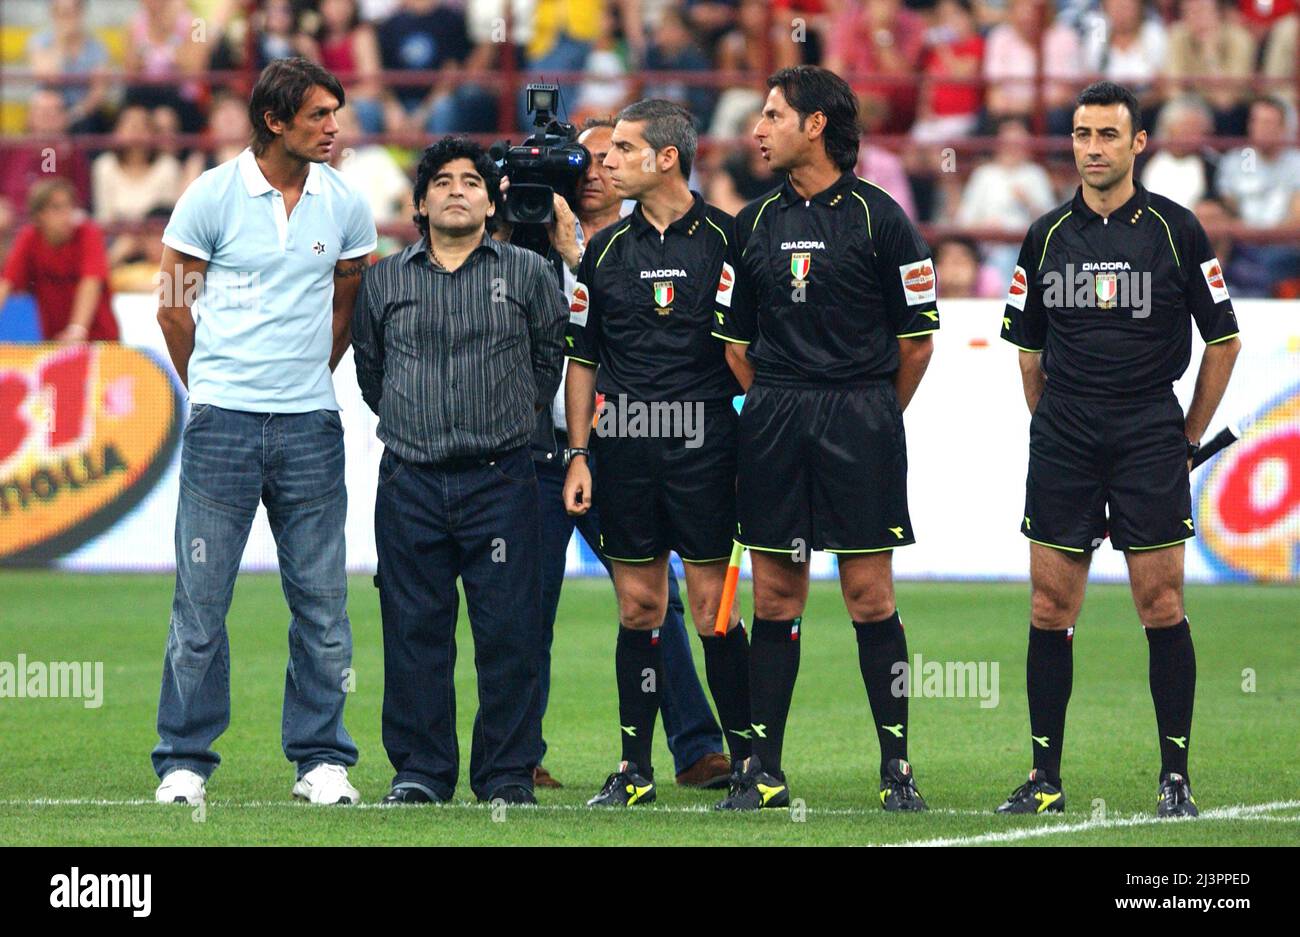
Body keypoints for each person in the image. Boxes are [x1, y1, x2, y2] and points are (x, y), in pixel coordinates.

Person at [997, 81, 1241, 817]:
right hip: (1066, 432)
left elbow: (1223, 339)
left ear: (1138, 144)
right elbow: (1028, 351)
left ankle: (1175, 778)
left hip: (1147, 430)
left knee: (1160, 601)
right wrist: (1056, 425)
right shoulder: (1043, 235)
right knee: (1049, 605)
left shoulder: (1177, 229)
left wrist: (1187, 432)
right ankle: (1045, 778)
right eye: (1081, 134)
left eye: (1107, 134)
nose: (1092, 147)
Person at [151, 58, 377, 808]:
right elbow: (173, 308)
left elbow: (349, 308)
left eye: (335, 114)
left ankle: (321, 759)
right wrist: (213, 388)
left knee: (322, 605)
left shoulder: (346, 203)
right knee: (200, 604)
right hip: (222, 428)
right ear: (275, 120)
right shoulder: (209, 196)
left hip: (312, 424)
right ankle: (183, 759)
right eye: (319, 115)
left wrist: (307, 377)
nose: (333, 128)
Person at [712, 66, 938, 811]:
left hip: (860, 417)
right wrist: (781, 403)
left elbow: (916, 342)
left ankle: (897, 766)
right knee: (776, 597)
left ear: (815, 125)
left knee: (870, 597)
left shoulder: (884, 218)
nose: (757, 129)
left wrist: (873, 412)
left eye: (773, 115)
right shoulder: (750, 223)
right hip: (776, 417)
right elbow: (734, 344)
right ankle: (764, 770)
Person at [352, 137, 568, 806]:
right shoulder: (385, 279)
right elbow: (371, 371)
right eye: (441, 181)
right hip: (409, 479)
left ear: (492, 197)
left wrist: (504, 419)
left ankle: (505, 774)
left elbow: (548, 360)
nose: (456, 190)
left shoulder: (528, 273)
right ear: (418, 203)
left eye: (471, 181)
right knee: (415, 629)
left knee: (509, 630)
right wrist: (418, 422)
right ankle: (421, 769)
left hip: (502, 478)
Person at [530, 116, 733, 792]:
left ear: (662, 158)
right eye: (587, 158)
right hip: (554, 448)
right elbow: (579, 350)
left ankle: (719, 752)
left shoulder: (717, 238)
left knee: (683, 605)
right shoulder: (540, 239)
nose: (598, 167)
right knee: (531, 604)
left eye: (613, 152)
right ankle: (526, 752)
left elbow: (741, 345)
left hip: (678, 445)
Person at [0, 179, 119, 343]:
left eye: (69, 206)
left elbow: (91, 283)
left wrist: (77, 329)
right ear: (38, 215)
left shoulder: (89, 233)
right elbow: (6, 283)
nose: (66, 214)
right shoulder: (29, 238)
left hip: (100, 343)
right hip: (55, 344)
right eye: (56, 208)